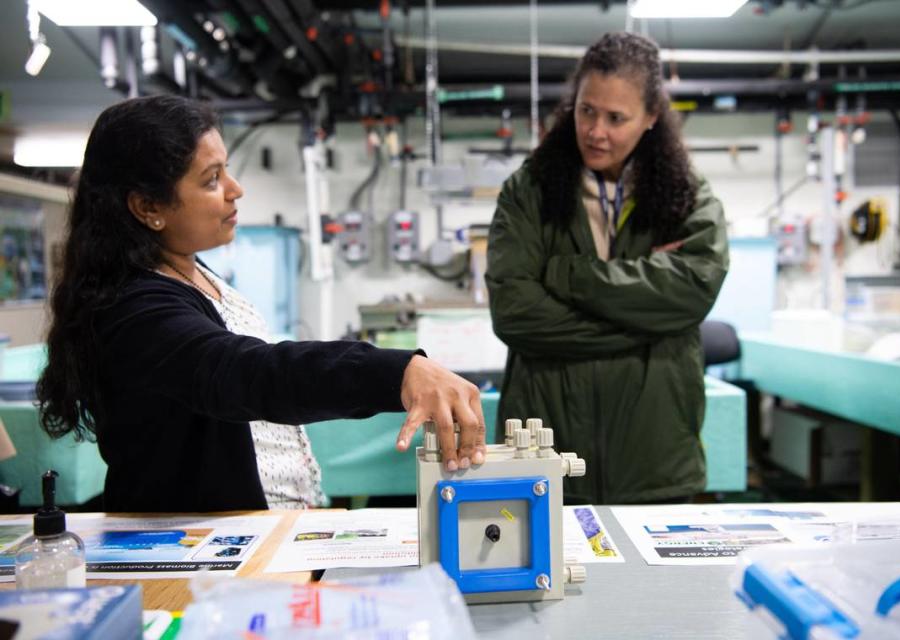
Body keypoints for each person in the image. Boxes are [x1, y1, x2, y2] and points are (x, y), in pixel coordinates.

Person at [36, 94, 485, 513]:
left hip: (261, 532)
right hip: (200, 554)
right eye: (211, 179)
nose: (235, 189)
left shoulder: (194, 273)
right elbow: (247, 372)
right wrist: (398, 371)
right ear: (148, 206)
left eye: (226, 170)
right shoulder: (135, 310)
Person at [486, 33, 729, 504]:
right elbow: (514, 312)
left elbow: (694, 288)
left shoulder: (688, 197)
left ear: (651, 118)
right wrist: (648, 324)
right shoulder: (529, 193)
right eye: (586, 110)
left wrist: (567, 276)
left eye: (616, 118)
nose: (596, 131)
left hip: (655, 463)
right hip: (547, 458)